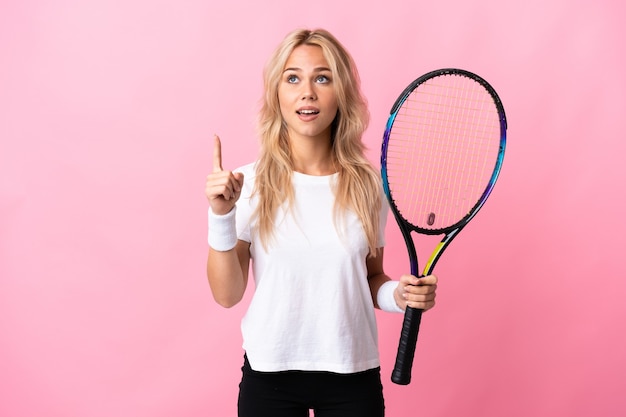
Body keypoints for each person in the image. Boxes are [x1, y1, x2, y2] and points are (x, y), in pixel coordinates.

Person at [205, 28, 438, 417]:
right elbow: (227, 295)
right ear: (277, 94)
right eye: (292, 78)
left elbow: (370, 278)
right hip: (271, 376)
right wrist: (221, 215)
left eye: (322, 77)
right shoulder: (247, 184)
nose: (307, 91)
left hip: (352, 374)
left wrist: (398, 296)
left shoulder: (369, 186)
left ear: (340, 93)